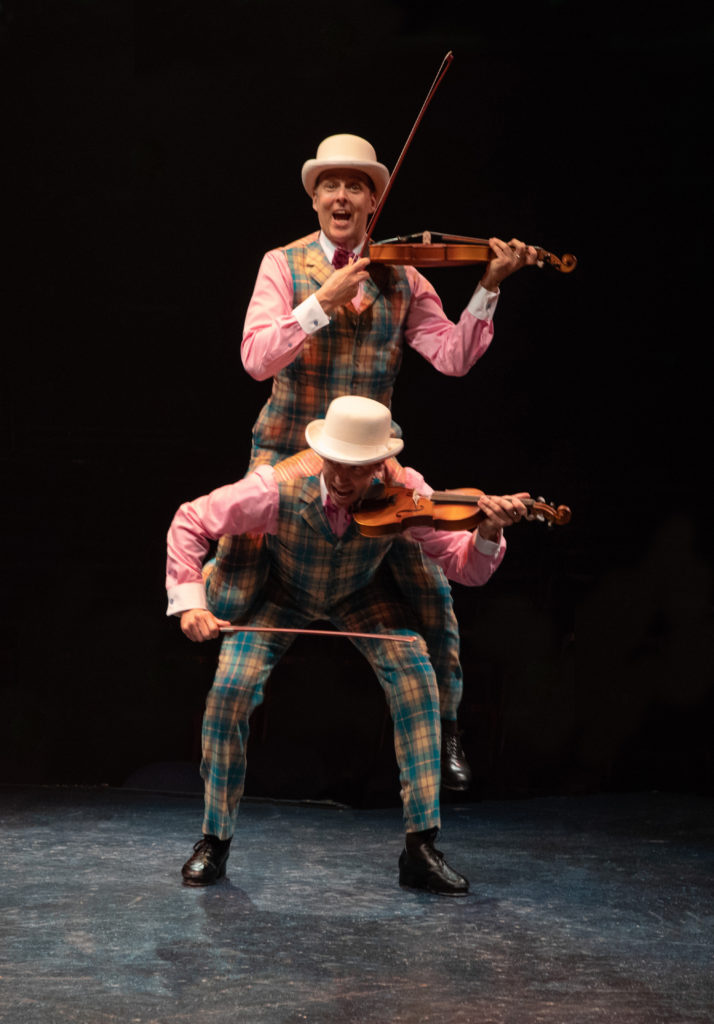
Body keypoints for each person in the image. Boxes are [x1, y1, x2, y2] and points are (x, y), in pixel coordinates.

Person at [222, 133, 540, 792]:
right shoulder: (281, 266)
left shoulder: (406, 277)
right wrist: (321, 305)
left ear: (376, 200)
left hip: (369, 468)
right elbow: (256, 360)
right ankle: (221, 765)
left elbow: (452, 357)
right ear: (314, 198)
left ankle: (447, 729)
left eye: (357, 185)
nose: (342, 196)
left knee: (433, 589)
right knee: (233, 596)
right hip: (288, 460)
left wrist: (487, 287)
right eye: (330, 184)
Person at [167, 395, 529, 895]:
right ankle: (214, 840)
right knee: (229, 692)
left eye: (357, 469)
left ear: (379, 464)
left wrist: (488, 530)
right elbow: (190, 519)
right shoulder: (276, 488)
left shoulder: (407, 491)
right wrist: (191, 604)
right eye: (335, 463)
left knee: (417, 678)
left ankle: (420, 848)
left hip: (361, 593)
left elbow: (466, 568)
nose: (341, 479)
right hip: (283, 593)